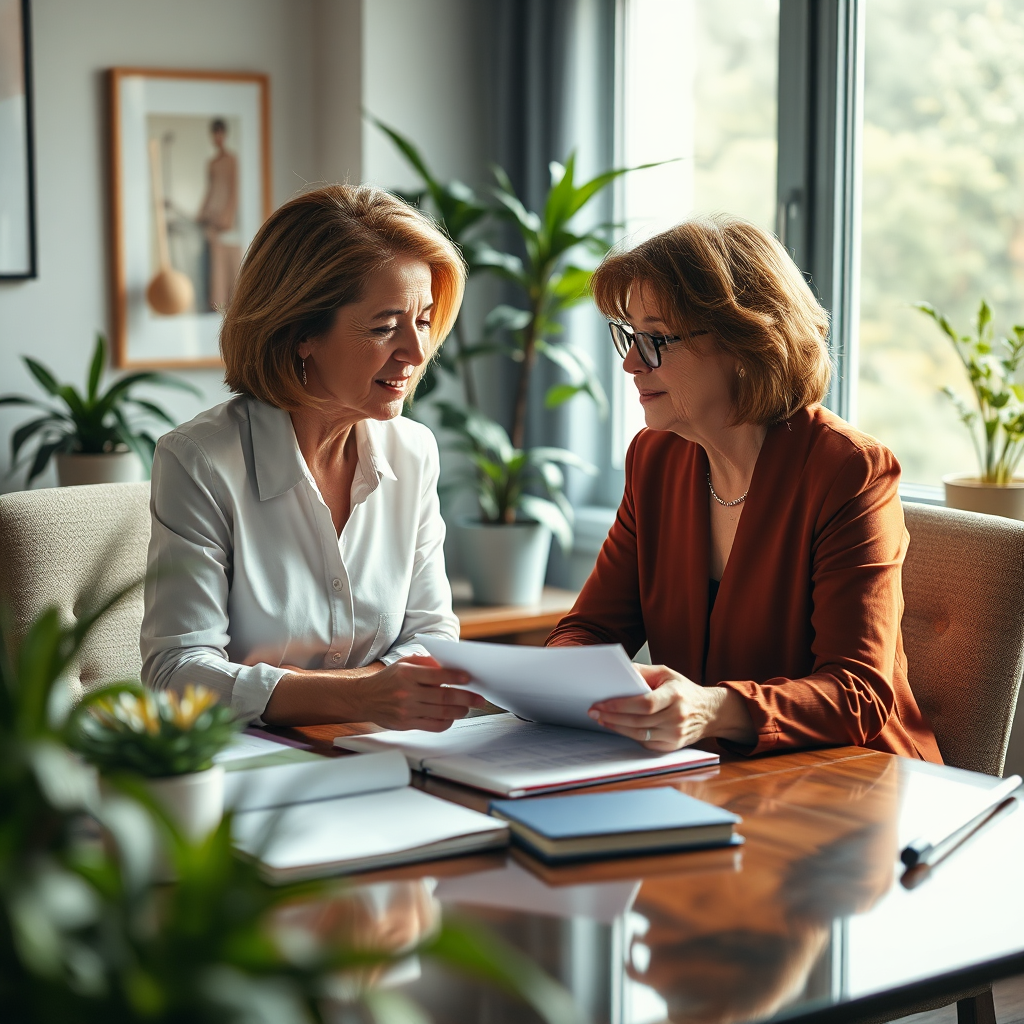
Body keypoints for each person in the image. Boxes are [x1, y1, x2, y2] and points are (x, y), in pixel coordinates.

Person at [546, 216, 941, 761]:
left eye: (656, 339)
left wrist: (712, 708)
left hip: (856, 787)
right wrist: (567, 678)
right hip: (716, 774)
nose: (632, 363)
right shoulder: (654, 459)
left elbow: (859, 695)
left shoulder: (850, 471)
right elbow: (589, 627)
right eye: (629, 336)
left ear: (745, 342)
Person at [141, 184, 484, 729]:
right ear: (302, 333)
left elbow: (431, 633)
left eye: (422, 321)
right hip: (252, 768)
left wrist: (377, 697)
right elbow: (176, 671)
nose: (417, 354)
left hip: (382, 750)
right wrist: (358, 697)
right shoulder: (200, 461)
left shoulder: (414, 452)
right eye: (384, 326)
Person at [197, 118, 241, 311]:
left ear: (225, 135)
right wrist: (202, 212)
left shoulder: (233, 161)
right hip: (212, 218)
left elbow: (234, 190)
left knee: (231, 264)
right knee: (215, 264)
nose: (217, 138)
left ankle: (230, 305)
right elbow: (210, 190)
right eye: (214, 134)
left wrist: (227, 217)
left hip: (227, 221)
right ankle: (217, 306)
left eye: (220, 133)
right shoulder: (212, 163)